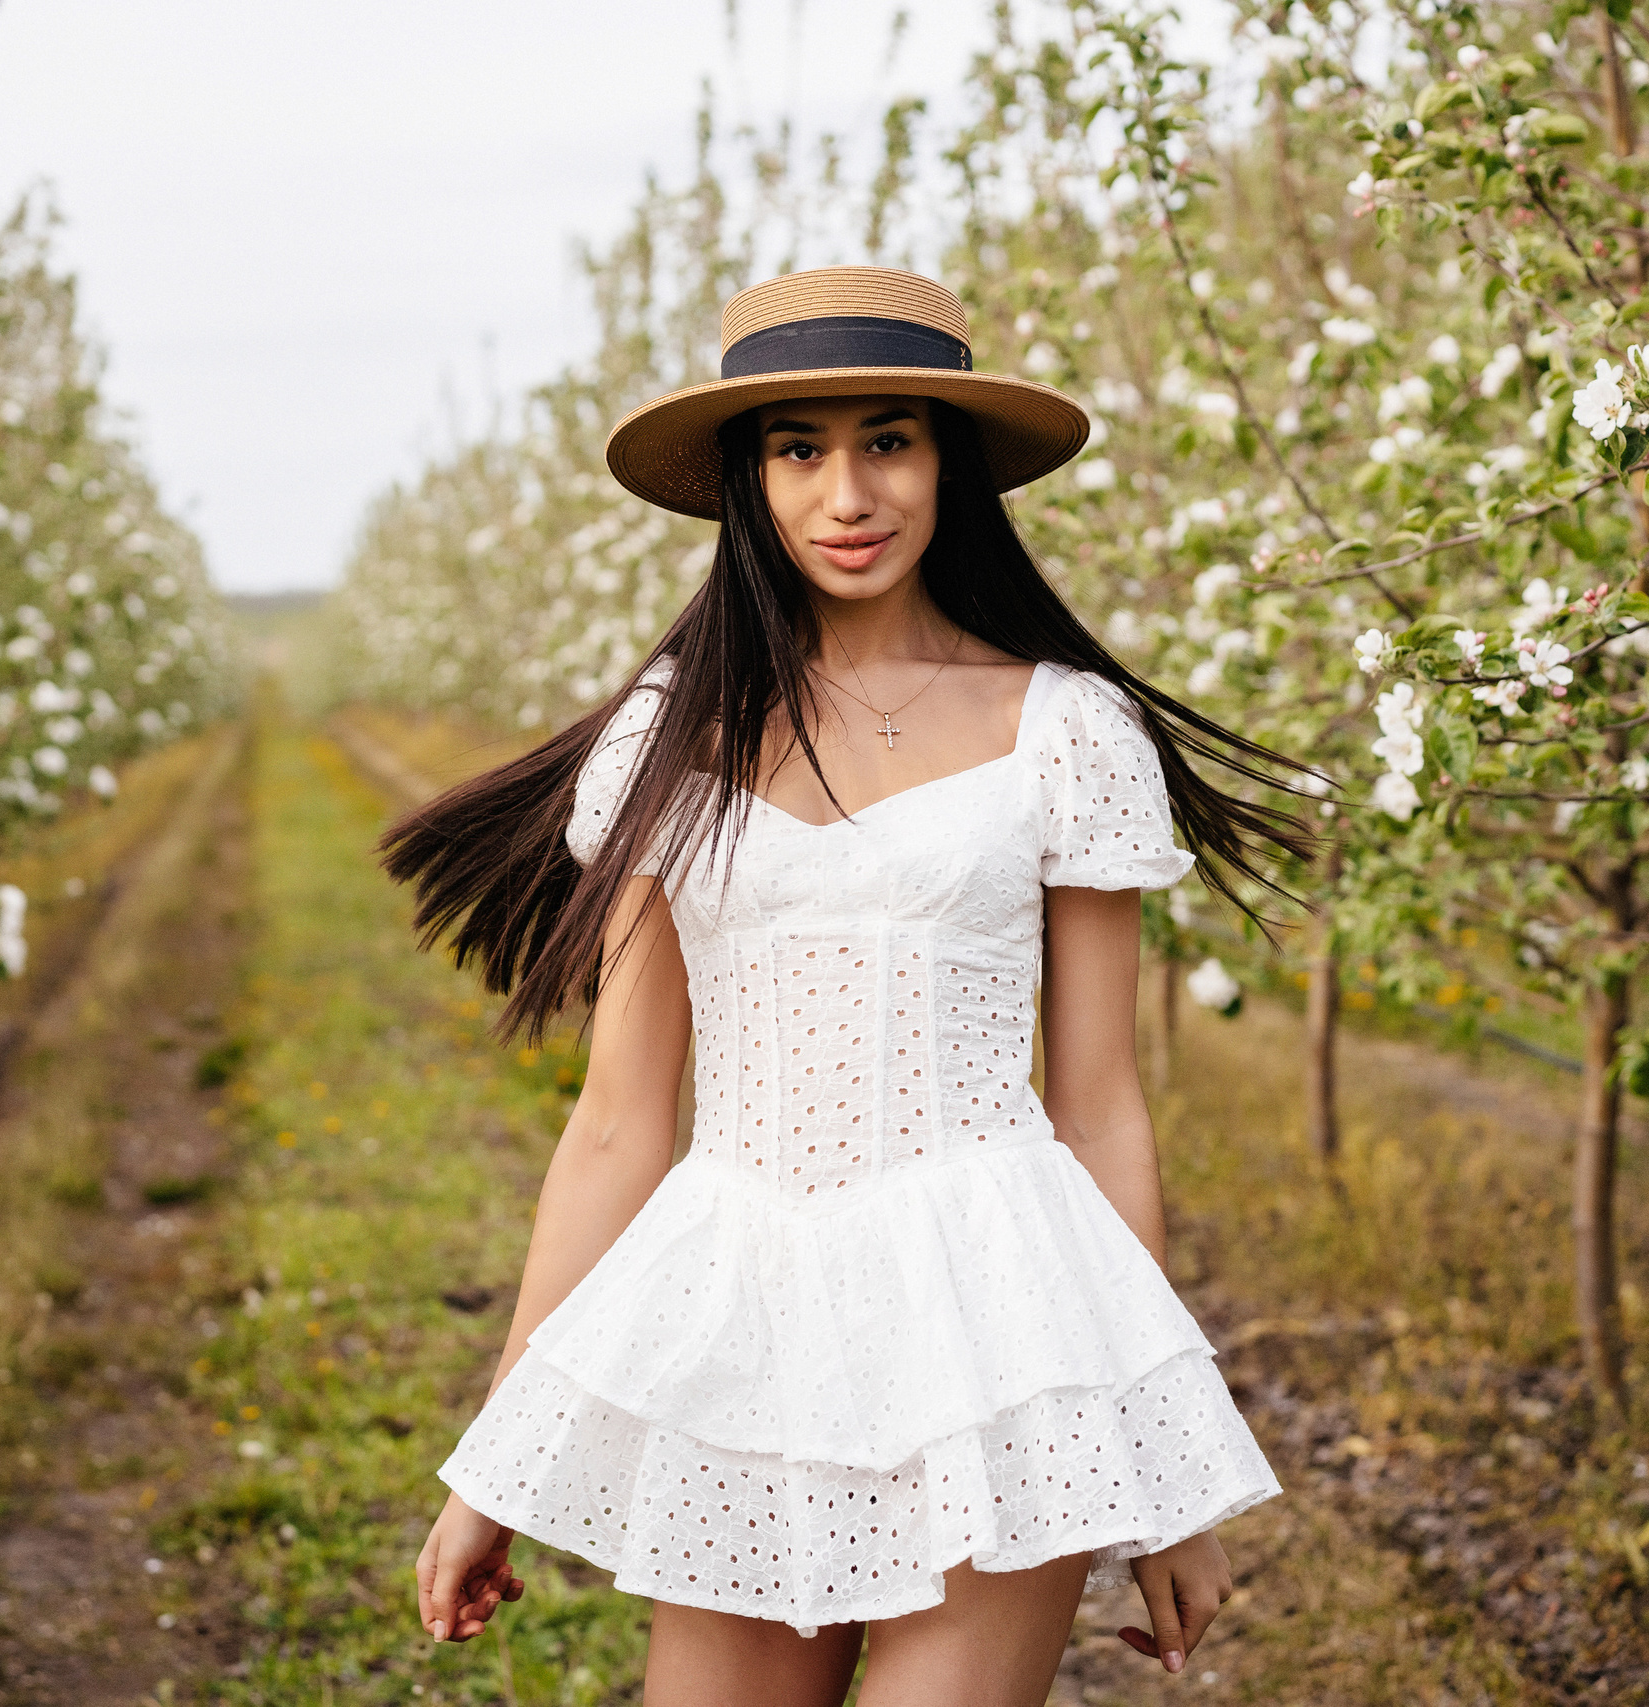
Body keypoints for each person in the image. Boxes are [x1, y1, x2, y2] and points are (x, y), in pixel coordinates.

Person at [384, 265, 1310, 1706]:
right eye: (798, 447)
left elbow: (1101, 1109)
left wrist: (1158, 1472)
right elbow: (622, 1124)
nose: (847, 491)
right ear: (751, 481)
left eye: (888, 439)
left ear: (950, 463)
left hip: (998, 1325)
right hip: (740, 1317)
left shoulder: (1064, 732)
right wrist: (491, 1463)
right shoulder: (671, 737)